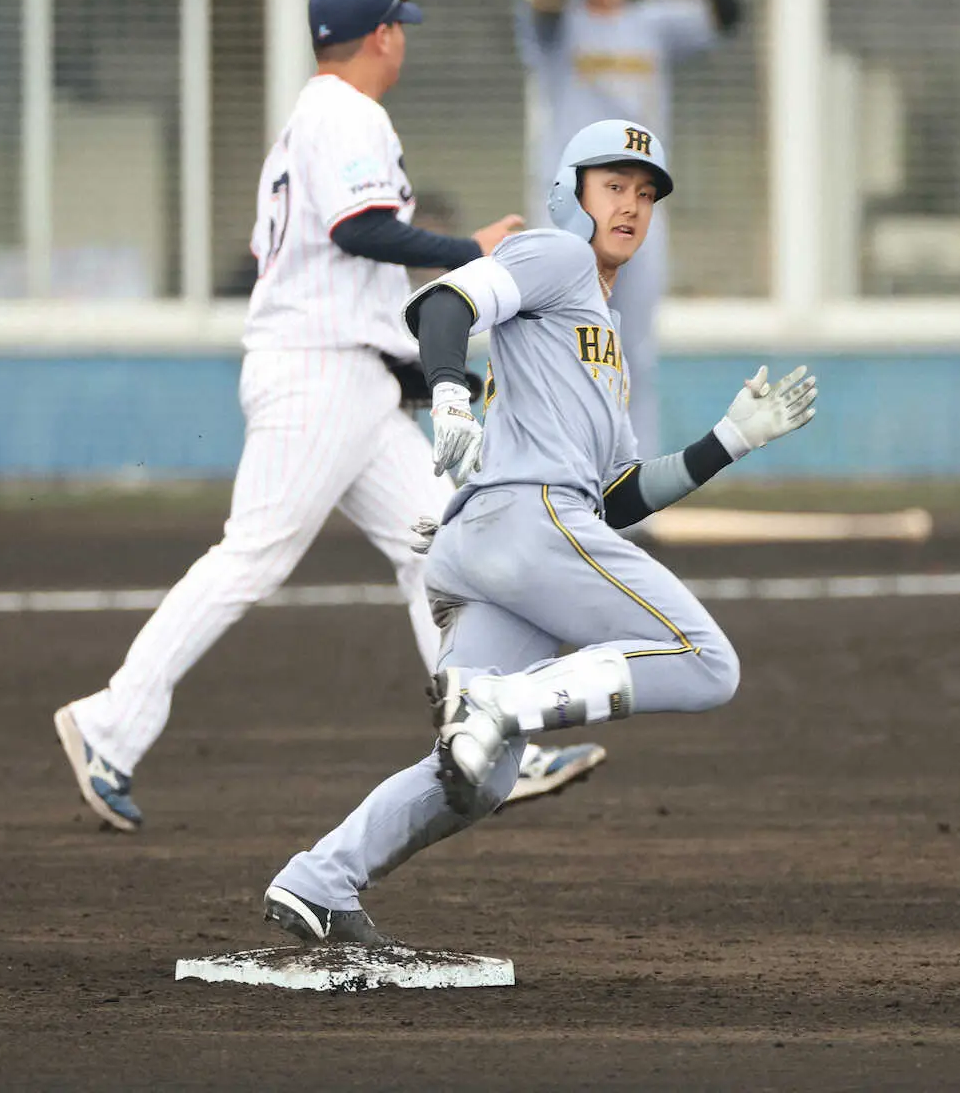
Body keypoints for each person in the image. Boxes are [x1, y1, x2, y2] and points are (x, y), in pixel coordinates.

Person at [54, 0, 603, 831]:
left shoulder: (316, 120)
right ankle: (109, 725)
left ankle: (493, 739)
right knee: (253, 558)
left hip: (341, 371)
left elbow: (347, 277)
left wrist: (416, 376)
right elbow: (360, 232)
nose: (404, 38)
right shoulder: (346, 114)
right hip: (316, 372)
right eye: (401, 26)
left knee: (442, 549)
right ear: (381, 36)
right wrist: (471, 248)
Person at [260, 118, 816, 945]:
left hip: (497, 542)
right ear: (571, 194)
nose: (630, 205)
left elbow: (618, 497)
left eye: (644, 194)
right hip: (527, 523)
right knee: (707, 664)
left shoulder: (603, 333)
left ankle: (319, 879)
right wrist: (448, 391)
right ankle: (498, 703)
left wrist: (723, 444)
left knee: (478, 779)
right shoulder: (557, 256)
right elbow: (445, 302)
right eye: (613, 186)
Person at [517, 0, 742, 458]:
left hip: (637, 212)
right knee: (561, 344)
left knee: (634, 352)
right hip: (572, 211)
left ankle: (629, 485)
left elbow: (727, 15)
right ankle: (557, 476)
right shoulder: (558, 25)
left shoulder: (654, 25)